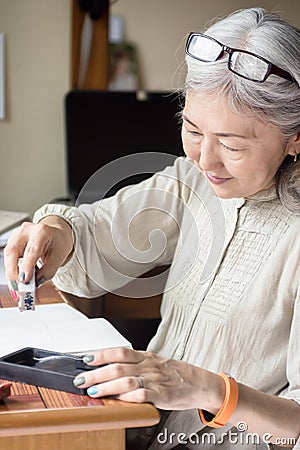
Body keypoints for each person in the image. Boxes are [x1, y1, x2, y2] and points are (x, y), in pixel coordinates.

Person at [4, 7, 300, 449]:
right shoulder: (193, 182)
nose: (205, 159)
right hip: (141, 430)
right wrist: (58, 230)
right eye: (194, 130)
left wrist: (208, 389)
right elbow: (97, 231)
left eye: (233, 145)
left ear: (295, 137)